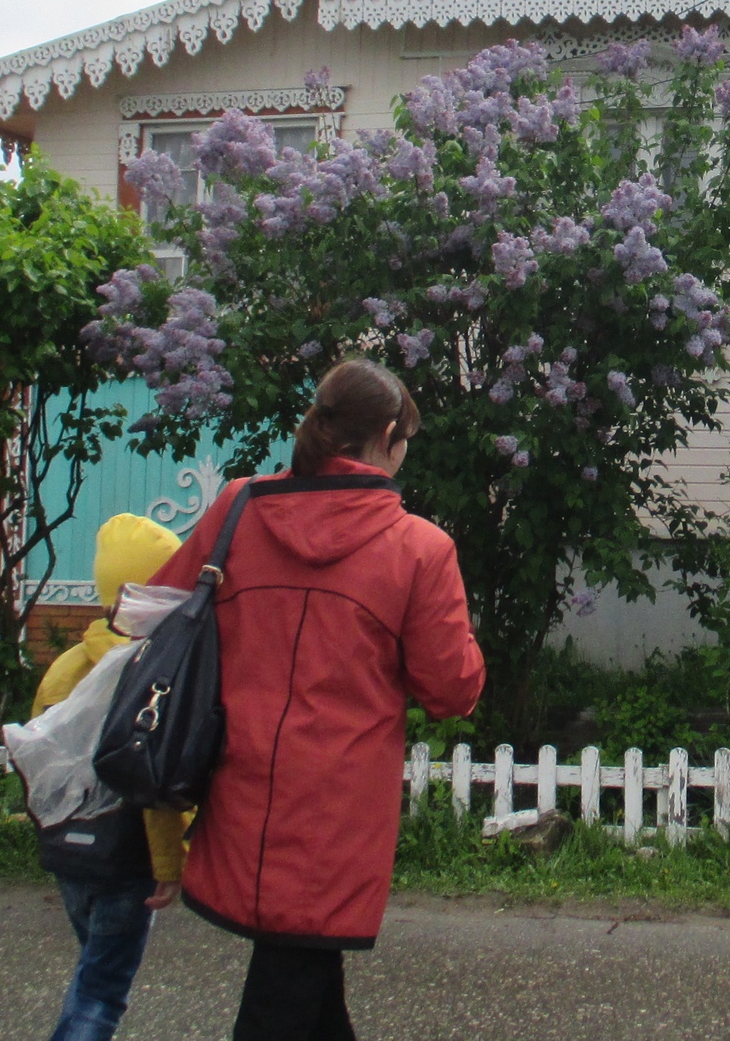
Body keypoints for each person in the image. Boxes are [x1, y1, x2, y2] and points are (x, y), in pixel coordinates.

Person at [151, 357, 485, 1041]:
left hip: (240, 794)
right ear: (389, 435)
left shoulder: (236, 510)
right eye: (405, 442)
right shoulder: (418, 548)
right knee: (283, 997)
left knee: (303, 977)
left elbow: (156, 610)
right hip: (337, 820)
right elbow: (453, 689)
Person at [31, 512, 196, 1041]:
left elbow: (42, 759)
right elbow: (152, 784)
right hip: (128, 858)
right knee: (102, 992)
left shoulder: (65, 667)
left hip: (68, 853)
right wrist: (171, 863)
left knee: (92, 969)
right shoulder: (150, 678)